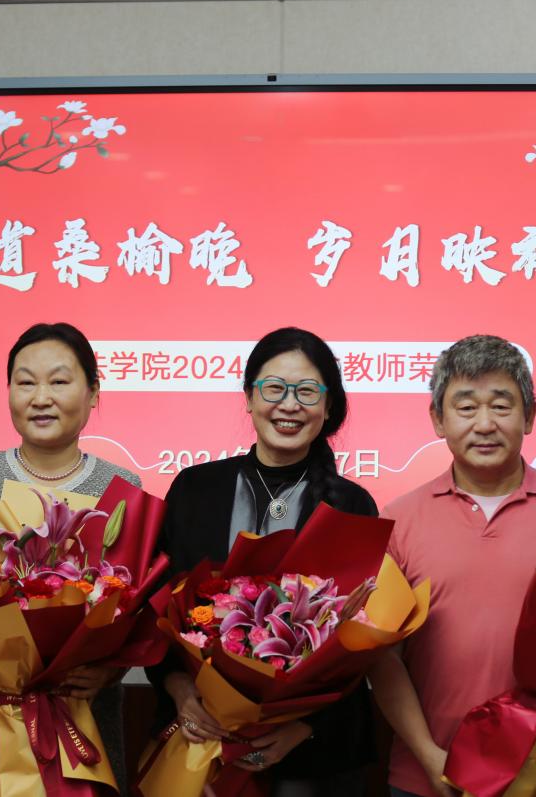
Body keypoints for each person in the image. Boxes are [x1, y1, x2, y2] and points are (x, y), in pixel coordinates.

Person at [369, 334, 536, 797]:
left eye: (502, 406)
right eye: (466, 407)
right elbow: (383, 660)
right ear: (438, 419)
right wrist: (429, 757)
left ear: (529, 416)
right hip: (428, 775)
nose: (485, 424)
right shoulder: (398, 520)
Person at [150, 326, 379, 796]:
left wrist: (302, 727)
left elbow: (360, 643)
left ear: (328, 406)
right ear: (249, 398)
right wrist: (179, 690)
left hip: (313, 765)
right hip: (201, 742)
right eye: (274, 388)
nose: (289, 404)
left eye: (307, 391)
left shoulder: (352, 506)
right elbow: (154, 609)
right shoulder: (194, 490)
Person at [0, 322, 141, 797]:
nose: (41, 397)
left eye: (59, 381)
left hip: (82, 718)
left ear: (94, 393)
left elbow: (134, 610)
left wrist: (108, 671)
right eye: (25, 382)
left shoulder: (122, 490)